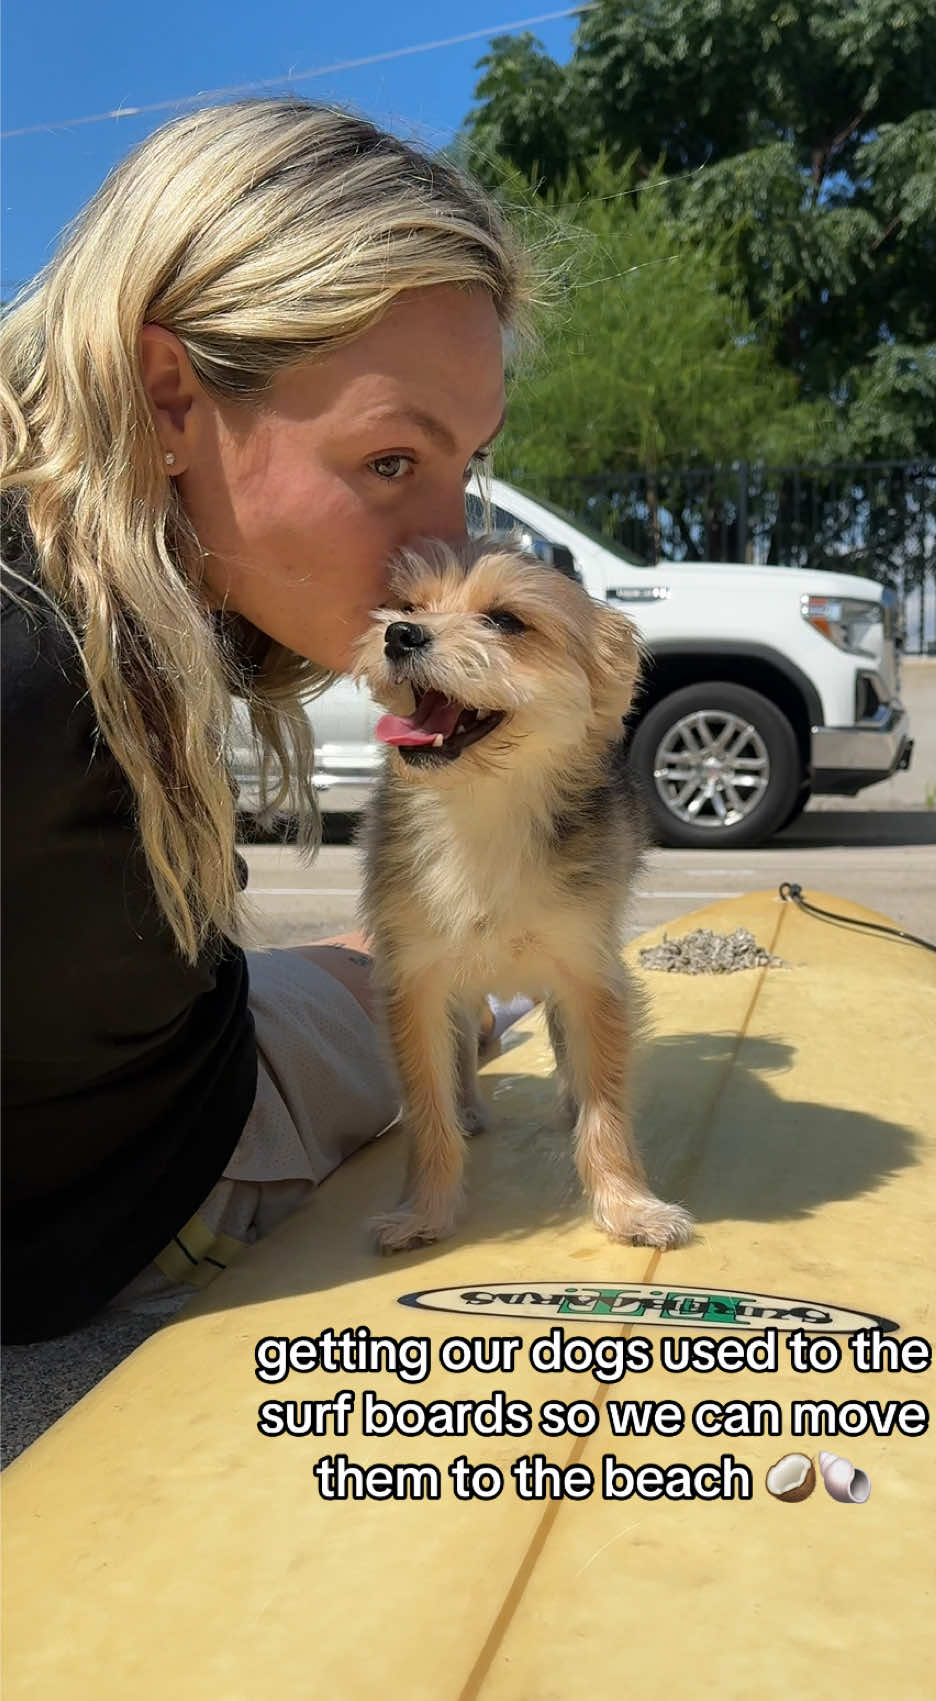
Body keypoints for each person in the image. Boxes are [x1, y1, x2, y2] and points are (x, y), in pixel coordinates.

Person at [1, 96, 538, 1344]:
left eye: (467, 470)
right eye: (393, 464)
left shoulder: (83, 577)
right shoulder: (41, 667)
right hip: (178, 1176)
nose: (446, 549)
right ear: (173, 395)